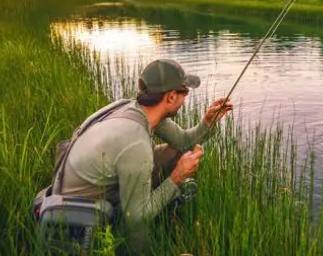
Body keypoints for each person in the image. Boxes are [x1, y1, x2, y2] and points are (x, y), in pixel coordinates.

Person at [57, 59, 233, 251]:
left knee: (176, 152)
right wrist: (177, 177)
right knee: (139, 220)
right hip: (80, 215)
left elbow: (183, 142)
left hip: (91, 187)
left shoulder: (136, 109)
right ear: (171, 97)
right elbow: (136, 216)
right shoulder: (135, 142)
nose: (186, 99)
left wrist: (208, 122)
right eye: (185, 92)